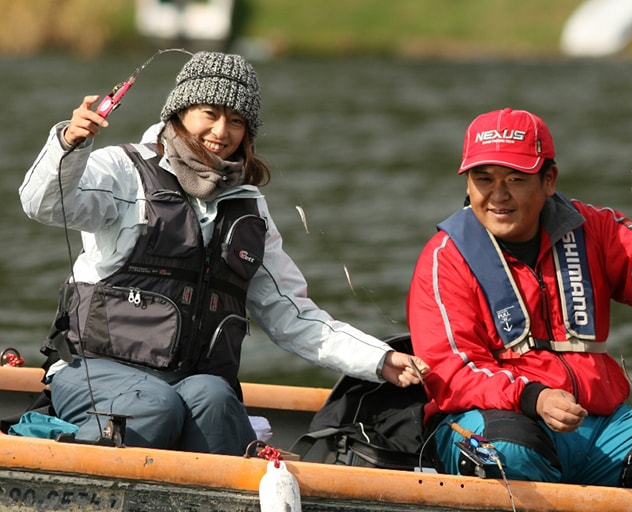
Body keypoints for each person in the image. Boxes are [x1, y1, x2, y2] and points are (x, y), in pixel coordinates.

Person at [19, 51, 427, 455]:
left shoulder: (248, 208)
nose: (221, 131)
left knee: (215, 398)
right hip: (94, 371)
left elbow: (292, 316)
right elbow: (44, 204)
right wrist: (69, 144)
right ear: (179, 113)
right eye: (209, 113)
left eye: (236, 120)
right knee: (153, 407)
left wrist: (380, 359)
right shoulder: (123, 171)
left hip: (191, 383)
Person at [406, 108, 632, 493]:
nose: (498, 196)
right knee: (508, 454)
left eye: (515, 179)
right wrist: (534, 397)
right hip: (496, 419)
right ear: (468, 184)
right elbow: (449, 373)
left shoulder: (591, 227)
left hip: (596, 425)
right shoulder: (445, 257)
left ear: (548, 180)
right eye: (483, 180)